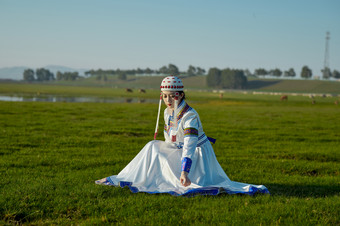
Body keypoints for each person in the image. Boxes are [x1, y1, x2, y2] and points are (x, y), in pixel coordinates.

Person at [96, 76, 269, 196]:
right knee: (151, 146)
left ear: (180, 95)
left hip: (197, 155)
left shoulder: (190, 116)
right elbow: (168, 137)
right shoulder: (167, 112)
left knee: (163, 156)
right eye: (165, 97)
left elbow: (189, 145)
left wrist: (185, 171)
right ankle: (126, 177)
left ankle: (177, 178)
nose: (168, 100)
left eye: (172, 96)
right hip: (177, 148)